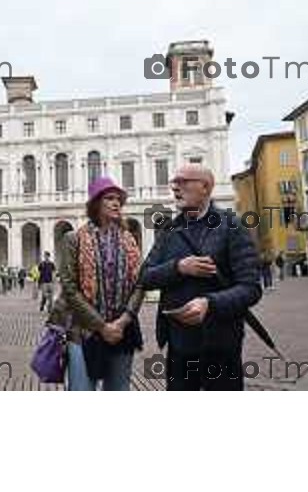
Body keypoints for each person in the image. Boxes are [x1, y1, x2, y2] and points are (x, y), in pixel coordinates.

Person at [138, 163, 262, 391]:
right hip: (179, 344)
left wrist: (209, 303)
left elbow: (251, 288)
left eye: (183, 182)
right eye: (174, 183)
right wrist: (179, 267)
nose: (175, 187)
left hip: (221, 344)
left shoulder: (232, 226)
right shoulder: (169, 230)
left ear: (205, 187)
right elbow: (145, 277)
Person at [51, 176, 145, 391]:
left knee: (119, 389)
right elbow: (69, 287)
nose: (116, 203)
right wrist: (102, 327)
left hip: (122, 330)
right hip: (85, 330)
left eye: (119, 199)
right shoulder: (74, 239)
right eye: (109, 198)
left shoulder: (128, 239)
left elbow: (140, 283)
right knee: (82, 388)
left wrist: (122, 321)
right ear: (95, 203)